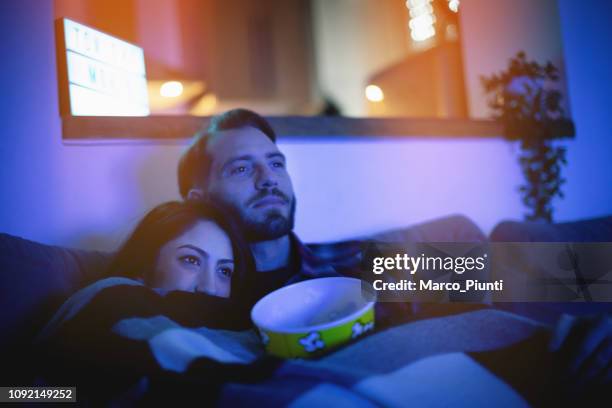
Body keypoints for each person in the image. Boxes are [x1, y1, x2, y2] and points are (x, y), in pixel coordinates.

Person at [177, 108, 611, 394]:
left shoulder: (364, 263)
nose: (268, 178)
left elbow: (559, 275)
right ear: (199, 197)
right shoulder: (194, 295)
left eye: (276, 163)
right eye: (240, 167)